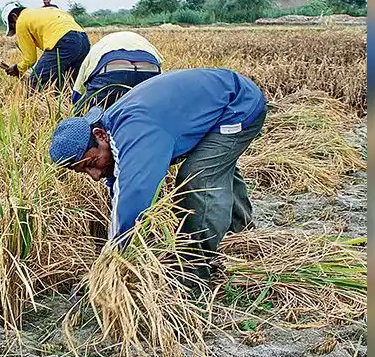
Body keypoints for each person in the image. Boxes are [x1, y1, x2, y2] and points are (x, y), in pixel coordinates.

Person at [48, 68, 267, 283]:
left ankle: (193, 270)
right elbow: (121, 187)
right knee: (217, 165)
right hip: (219, 101)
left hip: (238, 105)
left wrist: (109, 262)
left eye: (91, 164)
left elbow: (136, 195)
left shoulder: (136, 132)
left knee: (198, 178)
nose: (94, 175)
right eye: (84, 171)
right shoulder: (113, 131)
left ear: (99, 135)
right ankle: (243, 235)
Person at [0, 2, 90, 93]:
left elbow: (30, 59)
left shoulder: (21, 21)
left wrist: (17, 68)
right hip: (84, 41)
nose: (15, 29)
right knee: (68, 84)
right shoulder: (44, 11)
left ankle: (31, 106)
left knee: (34, 83)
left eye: (13, 26)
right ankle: (71, 106)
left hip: (64, 42)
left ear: (14, 16)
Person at [70, 31, 163, 113]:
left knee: (89, 118)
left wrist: (78, 108)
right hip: (149, 70)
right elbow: (161, 77)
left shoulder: (99, 47)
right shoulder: (146, 45)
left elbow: (79, 90)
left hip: (111, 70)